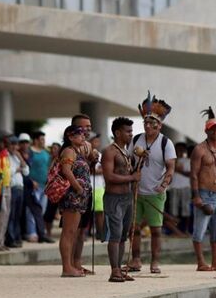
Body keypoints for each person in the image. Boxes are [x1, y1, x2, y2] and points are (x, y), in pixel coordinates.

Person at [129, 93, 175, 275]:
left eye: (152, 124)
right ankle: (136, 259)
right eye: (145, 123)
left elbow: (171, 168)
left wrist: (163, 185)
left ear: (159, 125)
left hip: (155, 192)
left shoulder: (166, 142)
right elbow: (127, 162)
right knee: (134, 228)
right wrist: (130, 177)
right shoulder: (135, 140)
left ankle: (154, 262)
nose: (148, 126)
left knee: (156, 230)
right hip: (136, 192)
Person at [190, 107, 216, 271]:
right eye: (212, 129)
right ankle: (200, 262)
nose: (215, 132)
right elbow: (193, 175)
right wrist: (196, 196)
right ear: (206, 130)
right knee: (199, 229)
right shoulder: (199, 150)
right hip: (205, 194)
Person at [101, 117, 139, 283]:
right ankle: (114, 271)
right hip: (114, 198)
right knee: (115, 236)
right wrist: (132, 177)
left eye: (131, 131)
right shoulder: (109, 152)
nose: (131, 134)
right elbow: (109, 177)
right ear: (117, 133)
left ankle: (120, 268)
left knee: (123, 236)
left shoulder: (126, 152)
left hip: (127, 198)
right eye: (128, 131)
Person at [58, 125, 92, 277]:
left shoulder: (77, 151)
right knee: (68, 232)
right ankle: (67, 268)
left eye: (84, 134)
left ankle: (70, 265)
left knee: (73, 233)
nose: (83, 136)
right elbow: (66, 170)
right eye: (79, 134)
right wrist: (78, 188)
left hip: (79, 198)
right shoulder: (69, 151)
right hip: (72, 197)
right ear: (70, 137)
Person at [25, 131, 53, 243]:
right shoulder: (30, 152)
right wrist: (31, 181)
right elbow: (26, 169)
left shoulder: (46, 153)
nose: (44, 141)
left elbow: (48, 169)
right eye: (41, 139)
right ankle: (31, 233)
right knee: (31, 211)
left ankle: (39, 232)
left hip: (44, 186)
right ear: (36, 140)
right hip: (33, 186)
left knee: (42, 210)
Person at [5, 135, 29, 248]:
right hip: (12, 188)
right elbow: (7, 172)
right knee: (11, 215)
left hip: (20, 189)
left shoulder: (16, 157)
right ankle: (10, 239)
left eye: (16, 144)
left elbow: (26, 171)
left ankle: (16, 237)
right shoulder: (6, 157)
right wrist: (17, 169)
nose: (15, 147)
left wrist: (20, 158)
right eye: (12, 144)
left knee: (18, 215)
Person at [166, 142, 192, 236]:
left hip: (186, 187)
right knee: (174, 211)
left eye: (181, 149)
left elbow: (191, 174)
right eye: (177, 149)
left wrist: (179, 170)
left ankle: (185, 230)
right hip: (174, 188)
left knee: (186, 211)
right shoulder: (171, 160)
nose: (179, 151)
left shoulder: (188, 161)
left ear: (185, 150)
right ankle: (175, 231)